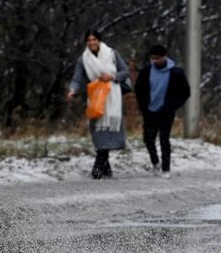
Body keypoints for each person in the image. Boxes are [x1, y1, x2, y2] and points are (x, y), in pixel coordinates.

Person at [67, 30, 132, 179]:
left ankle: (97, 169)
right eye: (89, 40)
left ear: (99, 41)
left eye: (94, 39)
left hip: (112, 97)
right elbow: (77, 79)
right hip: (96, 97)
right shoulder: (83, 59)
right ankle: (106, 168)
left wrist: (112, 76)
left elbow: (125, 72)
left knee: (107, 132)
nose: (91, 43)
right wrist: (72, 90)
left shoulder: (112, 53)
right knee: (98, 133)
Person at [134, 44, 190, 178]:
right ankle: (155, 162)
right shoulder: (146, 72)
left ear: (165, 57)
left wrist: (172, 106)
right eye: (152, 58)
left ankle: (166, 168)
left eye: (158, 58)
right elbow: (139, 90)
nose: (155, 61)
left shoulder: (176, 73)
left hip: (166, 111)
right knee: (148, 139)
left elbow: (185, 92)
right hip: (150, 111)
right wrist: (143, 106)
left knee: (164, 138)